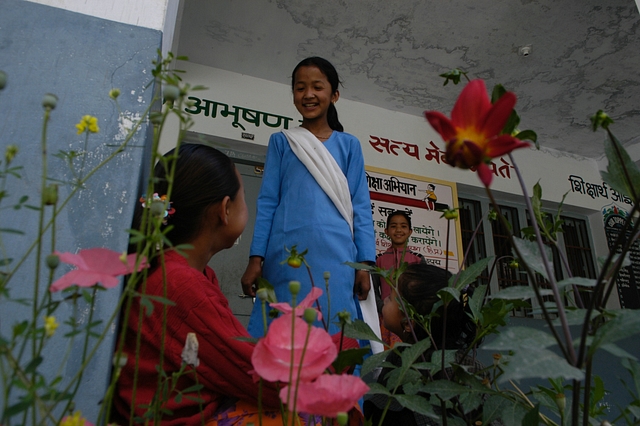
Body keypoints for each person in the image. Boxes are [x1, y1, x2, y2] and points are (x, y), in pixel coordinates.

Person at [113, 144, 318, 426]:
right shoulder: (182, 285)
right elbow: (268, 382)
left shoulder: (185, 272)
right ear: (225, 209)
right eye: (244, 196)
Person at [241, 56, 376, 337]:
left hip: (338, 257)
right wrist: (256, 258)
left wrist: (364, 264)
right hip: (285, 254)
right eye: (300, 88)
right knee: (283, 325)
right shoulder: (282, 142)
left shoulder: (349, 145)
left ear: (334, 95)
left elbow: (361, 206)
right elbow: (267, 202)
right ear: (293, 96)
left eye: (317, 87)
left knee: (335, 326)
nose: (309, 94)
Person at [363, 263, 486, 426]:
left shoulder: (413, 368)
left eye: (391, 297)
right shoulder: (399, 357)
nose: (384, 299)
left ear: (408, 322)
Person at [373, 210, 427, 347]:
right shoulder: (378, 260)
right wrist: (383, 309)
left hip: (412, 320)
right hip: (385, 319)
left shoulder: (418, 259)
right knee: (387, 359)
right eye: (393, 226)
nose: (398, 230)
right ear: (386, 231)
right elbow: (373, 291)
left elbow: (424, 292)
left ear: (410, 231)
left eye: (403, 226)